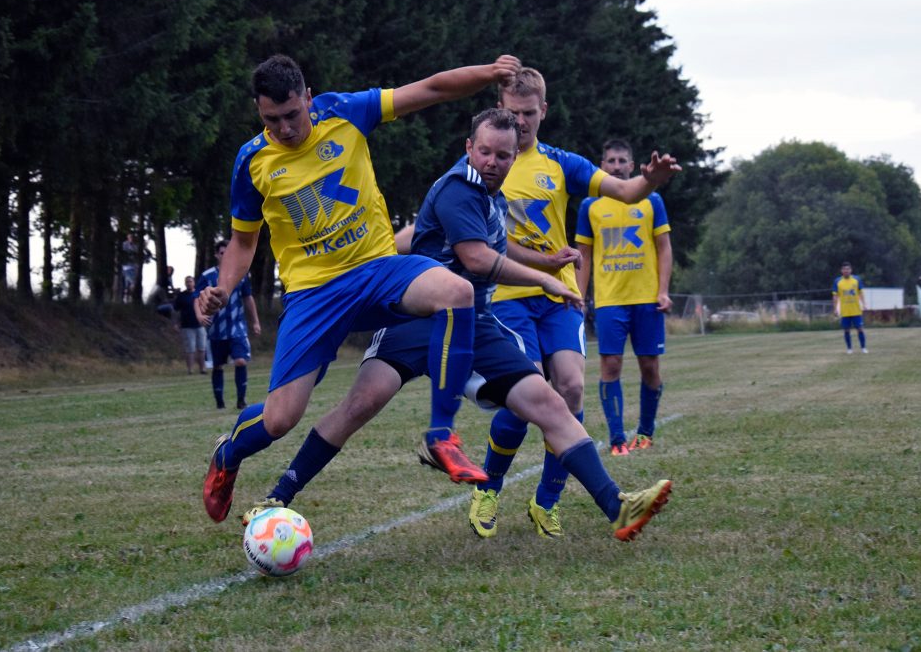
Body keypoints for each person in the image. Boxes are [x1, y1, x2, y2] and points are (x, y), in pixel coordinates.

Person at [240, 109, 673, 543]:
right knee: (359, 405)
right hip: (415, 320)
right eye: (484, 151)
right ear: (469, 148)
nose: (492, 162)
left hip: (472, 325)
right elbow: (476, 259)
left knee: (550, 404)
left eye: (502, 155)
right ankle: (279, 496)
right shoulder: (459, 189)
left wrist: (545, 261)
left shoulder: (491, 199)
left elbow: (488, 246)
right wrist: (545, 279)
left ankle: (617, 506)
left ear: (512, 157)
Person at [199, 53, 524, 523]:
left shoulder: (346, 111)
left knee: (456, 293)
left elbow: (430, 87)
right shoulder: (252, 162)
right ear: (259, 111)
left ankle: (441, 434)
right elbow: (242, 241)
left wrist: (488, 75)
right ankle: (228, 454)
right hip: (314, 296)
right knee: (279, 419)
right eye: (273, 119)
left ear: (309, 98)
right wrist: (224, 287)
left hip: (377, 270)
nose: (287, 128)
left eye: (293, 114)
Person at [469, 67, 680, 538]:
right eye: (512, 113)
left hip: (558, 294)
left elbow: (626, 191)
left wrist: (650, 180)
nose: (520, 122)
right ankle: (488, 488)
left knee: (571, 388)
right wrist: (542, 259)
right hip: (507, 297)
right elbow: (486, 239)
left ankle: (547, 500)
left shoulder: (560, 163)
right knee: (524, 394)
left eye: (529, 113)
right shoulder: (485, 162)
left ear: (544, 111)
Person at [575, 139, 673, 455]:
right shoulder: (590, 206)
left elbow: (663, 247)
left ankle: (645, 433)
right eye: (611, 161)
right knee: (610, 365)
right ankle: (617, 440)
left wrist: (663, 291)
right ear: (602, 166)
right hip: (609, 300)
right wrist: (578, 294)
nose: (616, 166)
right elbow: (584, 255)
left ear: (632, 165)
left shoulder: (652, 201)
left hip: (646, 299)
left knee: (649, 367)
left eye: (622, 161)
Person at [196, 241, 262, 409]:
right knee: (217, 365)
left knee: (240, 361)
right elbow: (197, 298)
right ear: (217, 255)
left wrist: (255, 321)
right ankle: (220, 402)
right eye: (222, 253)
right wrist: (199, 315)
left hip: (237, 328)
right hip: (216, 329)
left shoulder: (240, 274)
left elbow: (248, 298)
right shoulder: (207, 276)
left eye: (228, 252)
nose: (225, 256)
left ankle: (241, 400)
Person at [173, 275, 207, 375]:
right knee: (190, 349)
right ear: (185, 283)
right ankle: (190, 370)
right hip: (187, 326)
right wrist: (175, 323)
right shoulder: (181, 296)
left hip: (200, 325)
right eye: (187, 282)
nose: (189, 283)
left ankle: (203, 369)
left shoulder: (199, 294)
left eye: (190, 281)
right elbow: (176, 311)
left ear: (194, 283)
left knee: (202, 348)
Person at [833, 262, 867, 353]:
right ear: (841, 271)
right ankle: (849, 349)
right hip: (845, 310)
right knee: (846, 330)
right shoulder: (837, 281)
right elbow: (835, 296)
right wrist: (835, 308)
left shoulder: (857, 279)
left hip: (856, 309)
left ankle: (863, 348)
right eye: (844, 269)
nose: (846, 271)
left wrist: (864, 304)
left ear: (851, 270)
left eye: (848, 269)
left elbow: (861, 293)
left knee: (860, 328)